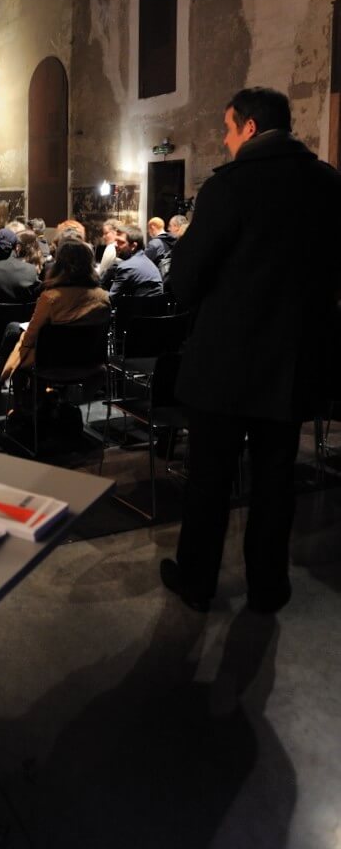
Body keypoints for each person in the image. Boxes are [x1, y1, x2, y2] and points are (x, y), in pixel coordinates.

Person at [161, 87, 341, 615]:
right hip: (293, 364)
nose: (224, 139)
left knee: (211, 481)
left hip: (227, 364)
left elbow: (186, 280)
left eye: (227, 128)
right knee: (275, 481)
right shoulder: (329, 184)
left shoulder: (231, 187)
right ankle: (269, 586)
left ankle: (197, 580)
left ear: (251, 128)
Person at [0, 239, 110, 398]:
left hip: (50, 362)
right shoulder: (104, 297)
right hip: (89, 362)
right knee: (16, 331)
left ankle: (7, 395)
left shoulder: (51, 298)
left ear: (60, 264)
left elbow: (31, 336)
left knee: (19, 341)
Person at [105, 225, 163, 300]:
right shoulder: (148, 262)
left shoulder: (126, 267)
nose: (115, 245)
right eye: (116, 241)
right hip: (156, 310)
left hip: (137, 310)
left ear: (133, 246)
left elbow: (110, 299)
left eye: (121, 242)